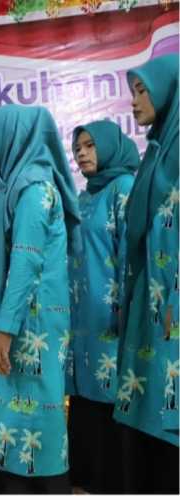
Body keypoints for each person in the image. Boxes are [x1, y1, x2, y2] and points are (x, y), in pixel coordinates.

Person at [0, 104, 81, 494]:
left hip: (27, 328)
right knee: (0, 416)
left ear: (9, 137)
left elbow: (25, 263)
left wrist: (5, 329)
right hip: (7, 322)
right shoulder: (6, 186)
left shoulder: (34, 189)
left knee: (33, 419)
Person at [114, 54, 179, 494]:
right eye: (133, 91)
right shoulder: (158, 149)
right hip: (150, 303)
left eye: (143, 90)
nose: (135, 102)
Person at [66, 119, 138, 493]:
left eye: (91, 145)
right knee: (84, 399)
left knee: (109, 398)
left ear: (109, 145)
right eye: (78, 147)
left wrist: (126, 313)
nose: (82, 153)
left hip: (111, 320)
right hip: (81, 322)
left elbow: (129, 255)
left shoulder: (122, 188)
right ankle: (88, 482)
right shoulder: (84, 197)